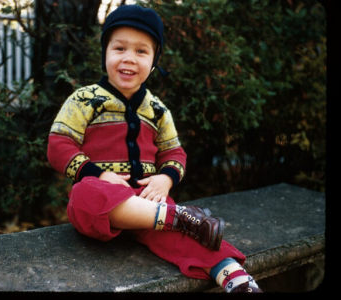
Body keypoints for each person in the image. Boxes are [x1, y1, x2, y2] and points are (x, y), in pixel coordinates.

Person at [47, 4, 262, 293]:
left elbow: (175, 153)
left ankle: (235, 277)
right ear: (105, 52)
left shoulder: (157, 110)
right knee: (83, 196)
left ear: (154, 59)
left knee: (194, 238)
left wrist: (165, 179)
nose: (129, 59)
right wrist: (97, 174)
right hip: (104, 201)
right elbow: (59, 143)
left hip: (149, 206)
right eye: (119, 48)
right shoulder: (85, 99)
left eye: (141, 51)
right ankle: (178, 218)